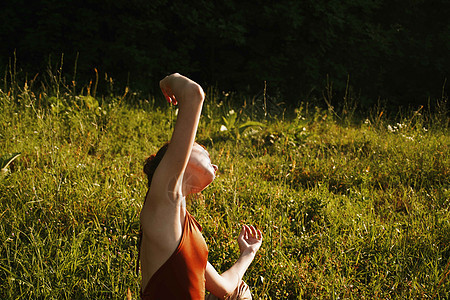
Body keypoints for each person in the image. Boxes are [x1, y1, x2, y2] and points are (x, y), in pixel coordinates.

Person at [138, 73, 263, 299]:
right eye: (203, 149)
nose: (213, 162)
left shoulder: (186, 227)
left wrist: (248, 252)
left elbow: (224, 287)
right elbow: (193, 94)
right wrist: (169, 80)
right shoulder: (164, 202)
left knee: (239, 292)